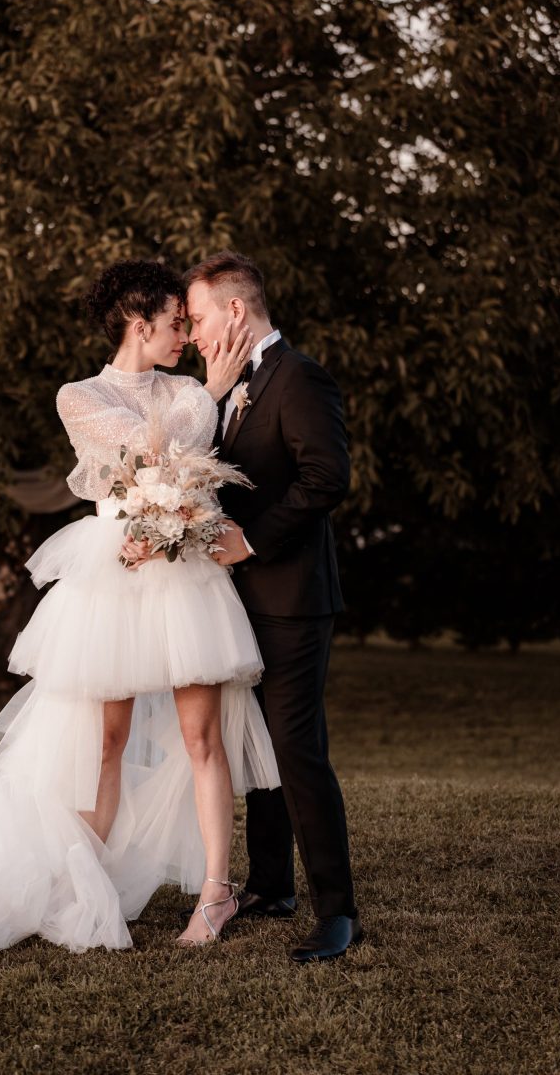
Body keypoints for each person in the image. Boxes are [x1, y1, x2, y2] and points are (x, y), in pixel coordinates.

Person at [0, 259, 279, 961]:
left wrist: (199, 397)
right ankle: (85, 880)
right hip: (115, 576)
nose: (186, 333)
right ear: (137, 322)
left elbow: (182, 455)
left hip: (185, 575)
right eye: (176, 322)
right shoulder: (79, 395)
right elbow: (146, 454)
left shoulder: (186, 388)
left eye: (188, 322)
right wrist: (209, 394)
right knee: (106, 743)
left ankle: (216, 889)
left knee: (201, 737)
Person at [184, 250, 362, 963]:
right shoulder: (223, 385)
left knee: (296, 749)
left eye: (197, 317)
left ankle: (338, 909)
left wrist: (252, 540)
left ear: (235, 309)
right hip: (235, 601)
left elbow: (328, 477)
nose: (194, 332)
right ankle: (270, 883)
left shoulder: (300, 376)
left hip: (292, 598)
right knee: (251, 742)